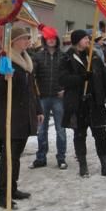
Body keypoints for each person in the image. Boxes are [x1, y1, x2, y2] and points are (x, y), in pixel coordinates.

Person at [0, 27, 43, 210]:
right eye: (24, 38)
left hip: (25, 115)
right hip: (11, 115)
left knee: (16, 157)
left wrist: (38, 109)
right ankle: (2, 194)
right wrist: (5, 79)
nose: (28, 41)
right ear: (14, 41)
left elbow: (32, 89)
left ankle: (12, 189)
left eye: (28, 38)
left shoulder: (27, 61)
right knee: (9, 157)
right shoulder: (4, 59)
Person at [59, 29, 106, 179]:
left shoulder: (94, 56)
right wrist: (81, 78)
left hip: (95, 102)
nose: (88, 41)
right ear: (77, 40)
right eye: (86, 38)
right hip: (77, 103)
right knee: (80, 135)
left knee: (101, 135)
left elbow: (104, 75)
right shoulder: (66, 58)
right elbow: (63, 80)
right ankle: (83, 165)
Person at [30, 25, 67, 170]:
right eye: (48, 39)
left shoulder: (64, 56)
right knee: (42, 130)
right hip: (43, 97)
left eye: (53, 38)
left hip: (58, 97)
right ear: (45, 40)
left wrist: (65, 89)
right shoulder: (38, 56)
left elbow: (68, 76)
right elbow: (32, 74)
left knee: (60, 129)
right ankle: (41, 158)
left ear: (57, 40)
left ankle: (61, 158)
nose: (51, 41)